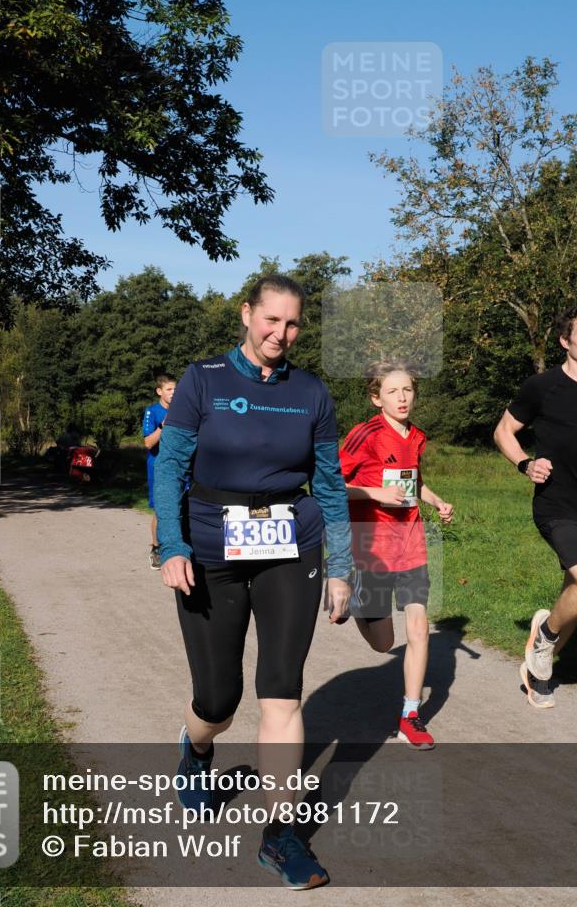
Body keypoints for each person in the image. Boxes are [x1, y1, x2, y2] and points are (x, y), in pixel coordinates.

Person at [154, 274, 352, 890]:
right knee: (218, 698)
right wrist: (173, 544)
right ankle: (198, 747)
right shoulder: (203, 379)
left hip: (291, 544)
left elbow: (328, 482)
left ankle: (280, 837)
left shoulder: (311, 392)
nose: (280, 335)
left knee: (281, 692)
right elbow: (171, 469)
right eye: (271, 321)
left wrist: (341, 566)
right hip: (210, 546)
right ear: (247, 315)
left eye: (292, 325)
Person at [339, 365, 453, 749]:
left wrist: (434, 500)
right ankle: (357, 603)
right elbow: (332, 484)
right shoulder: (365, 434)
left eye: (408, 390)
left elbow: (412, 479)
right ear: (377, 398)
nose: (402, 398)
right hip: (372, 545)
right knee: (384, 644)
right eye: (392, 391)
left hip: (411, 541)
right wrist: (375, 495)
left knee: (419, 628)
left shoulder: (417, 436)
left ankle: (410, 714)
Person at [494, 306, 577, 709]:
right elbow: (504, 431)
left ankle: (539, 671)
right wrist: (525, 463)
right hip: (558, 505)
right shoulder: (542, 387)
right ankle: (545, 640)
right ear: (565, 341)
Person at [142, 373, 176, 569]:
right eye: (169, 389)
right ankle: (156, 548)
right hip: (158, 466)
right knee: (160, 509)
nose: (174, 393)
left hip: (180, 466)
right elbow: (148, 443)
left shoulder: (183, 409)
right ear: (159, 391)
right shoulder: (152, 412)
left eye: (176, 390)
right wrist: (164, 426)